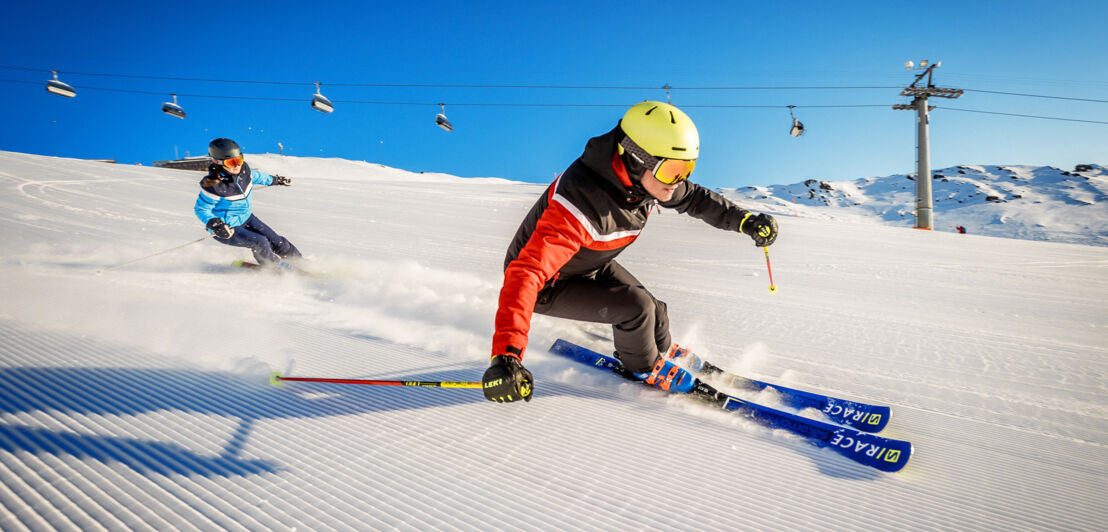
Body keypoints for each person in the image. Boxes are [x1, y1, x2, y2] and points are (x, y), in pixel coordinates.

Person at [482, 101, 778, 403]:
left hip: (587, 262)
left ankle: (660, 349)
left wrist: (745, 220)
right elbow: (526, 273)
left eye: (686, 168)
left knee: (655, 309)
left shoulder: (647, 182)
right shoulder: (580, 204)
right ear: (637, 160)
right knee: (636, 308)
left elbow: (697, 199)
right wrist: (507, 356)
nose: (678, 182)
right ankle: (643, 367)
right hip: (548, 284)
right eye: (673, 170)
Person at [194, 138, 302, 269]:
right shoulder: (214, 186)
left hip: (247, 218)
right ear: (217, 162)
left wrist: (275, 180)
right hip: (227, 228)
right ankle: (272, 267)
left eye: (239, 160)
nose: (236, 165)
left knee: (277, 241)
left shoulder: (245, 171)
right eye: (231, 162)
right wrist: (215, 224)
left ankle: (301, 263)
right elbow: (201, 209)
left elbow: (256, 176)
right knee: (260, 242)